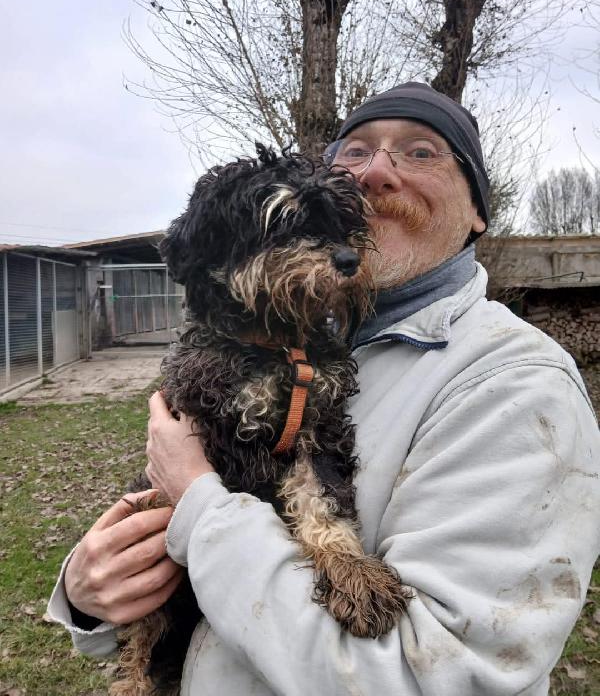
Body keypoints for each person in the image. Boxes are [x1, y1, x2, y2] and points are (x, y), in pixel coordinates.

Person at [48, 83, 600, 695]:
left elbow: (441, 679)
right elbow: (145, 574)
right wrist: (88, 594)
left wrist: (199, 505)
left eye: (420, 152)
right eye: (355, 152)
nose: (377, 173)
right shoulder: (300, 337)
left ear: (478, 214)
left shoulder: (517, 387)